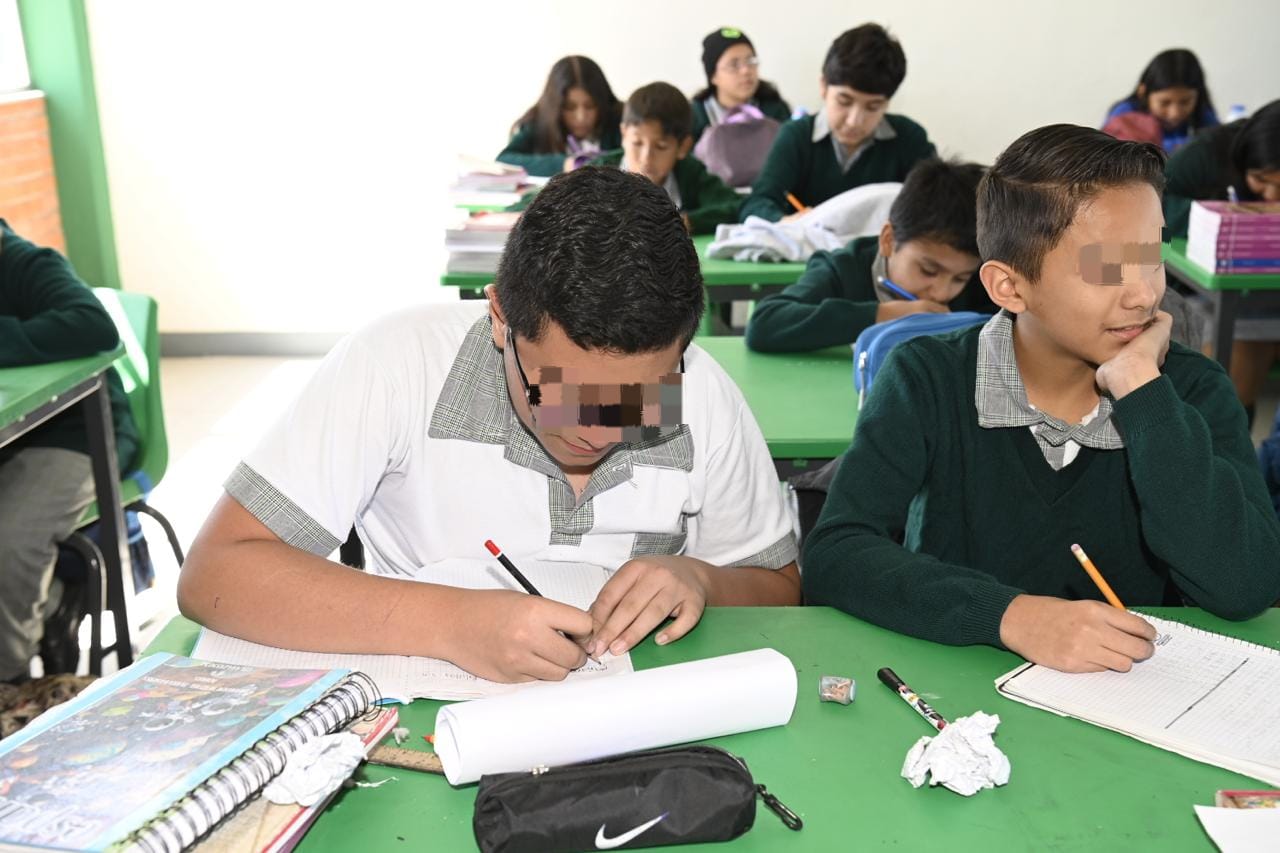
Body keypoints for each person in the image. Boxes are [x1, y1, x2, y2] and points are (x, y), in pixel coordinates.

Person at [178, 168, 800, 684]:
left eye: (637, 398)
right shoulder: (395, 365)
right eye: (565, 393)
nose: (600, 430)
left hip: (644, 721)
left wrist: (701, 579)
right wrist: (450, 622)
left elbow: (778, 585)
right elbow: (216, 574)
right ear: (501, 319)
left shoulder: (703, 392)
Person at [802, 125, 1280, 673]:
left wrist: (1143, 394)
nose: (1146, 293)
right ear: (1009, 287)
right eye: (1106, 267)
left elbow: (1246, 586)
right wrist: (1010, 616)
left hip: (1131, 697)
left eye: (1151, 257)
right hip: (955, 692)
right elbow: (837, 552)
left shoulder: (1191, 389)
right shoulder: (928, 378)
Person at [0, 221, 139, 684]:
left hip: (76, 431)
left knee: (9, 536)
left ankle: (11, 683)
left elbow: (93, 326)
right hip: (10, 434)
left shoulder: (26, 263)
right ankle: (55, 603)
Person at [745, 158, 991, 352]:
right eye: (928, 270)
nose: (941, 292)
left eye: (960, 278)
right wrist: (883, 314)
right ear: (888, 240)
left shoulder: (981, 281)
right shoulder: (842, 270)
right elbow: (764, 324)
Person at [739, 23, 935, 223]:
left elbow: (937, 205)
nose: (854, 121)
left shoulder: (909, 139)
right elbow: (756, 204)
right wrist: (786, 222)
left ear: (887, 103)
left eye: (873, 107)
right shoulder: (797, 136)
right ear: (823, 87)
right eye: (844, 102)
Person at [1164, 99, 1280, 421]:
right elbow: (1153, 201)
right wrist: (1214, 217)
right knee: (1239, 344)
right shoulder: (1208, 153)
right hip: (1199, 287)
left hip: (1261, 297)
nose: (1271, 196)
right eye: (1261, 180)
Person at [592, 82, 741, 234]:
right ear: (624, 135)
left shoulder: (690, 173)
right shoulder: (598, 173)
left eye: (661, 146)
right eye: (637, 143)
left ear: (683, 147)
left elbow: (736, 206)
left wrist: (684, 222)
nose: (646, 157)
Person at [496, 56, 623, 177]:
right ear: (555, 107)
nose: (581, 117)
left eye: (590, 106)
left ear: (603, 103)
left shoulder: (621, 120)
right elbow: (504, 159)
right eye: (569, 107)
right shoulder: (538, 123)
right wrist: (563, 164)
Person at [1103, 49, 1219, 153]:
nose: (1175, 113)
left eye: (1185, 102)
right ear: (1143, 93)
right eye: (1165, 103)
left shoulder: (1203, 115)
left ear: (1198, 95)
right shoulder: (1125, 116)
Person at [690, 27, 791, 142]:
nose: (745, 71)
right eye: (734, 65)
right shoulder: (694, 117)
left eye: (750, 61)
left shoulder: (775, 111)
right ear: (713, 76)